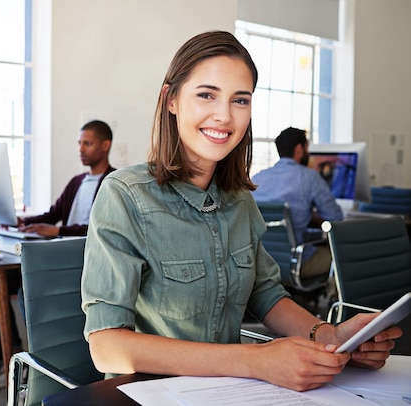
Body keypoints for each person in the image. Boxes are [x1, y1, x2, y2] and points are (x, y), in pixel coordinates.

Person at [80, 31, 401, 392]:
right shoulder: (124, 195)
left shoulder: (239, 199)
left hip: (232, 391)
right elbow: (106, 347)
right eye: (206, 95)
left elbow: (266, 294)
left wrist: (330, 336)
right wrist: (256, 361)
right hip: (155, 393)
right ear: (171, 99)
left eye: (240, 100)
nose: (224, 116)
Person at [0, 119, 116, 391]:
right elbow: (53, 214)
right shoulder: (78, 181)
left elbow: (101, 227)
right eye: (79, 143)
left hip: (84, 259)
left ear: (105, 145)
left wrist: (56, 230)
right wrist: (21, 221)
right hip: (55, 254)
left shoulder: (113, 181)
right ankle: (15, 351)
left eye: (87, 143)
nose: (81, 149)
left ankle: (41, 362)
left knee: (30, 292)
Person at [251, 127, 344, 280]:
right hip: (297, 263)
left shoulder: (257, 179)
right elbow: (335, 218)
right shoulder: (309, 177)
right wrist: (314, 217)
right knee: (343, 256)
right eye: (307, 148)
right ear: (299, 149)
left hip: (261, 264)